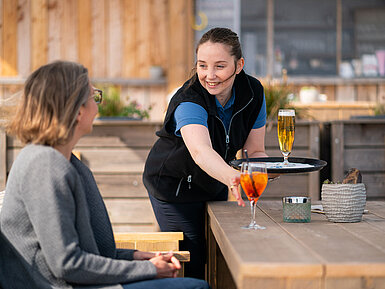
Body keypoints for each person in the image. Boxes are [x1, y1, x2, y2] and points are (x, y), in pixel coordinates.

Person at [0, 61, 210, 289]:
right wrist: (148, 269)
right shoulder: (44, 166)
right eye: (93, 97)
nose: (97, 106)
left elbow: (88, 251)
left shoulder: (66, 162)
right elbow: (67, 263)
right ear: (78, 111)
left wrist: (134, 256)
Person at [143, 27, 268, 279]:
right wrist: (234, 178)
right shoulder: (189, 99)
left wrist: (266, 171)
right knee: (195, 263)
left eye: (219, 66)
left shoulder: (253, 92)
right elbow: (201, 152)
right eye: (202, 65)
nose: (209, 75)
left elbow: (255, 150)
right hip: (174, 188)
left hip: (215, 182)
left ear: (239, 65)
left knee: (220, 254)